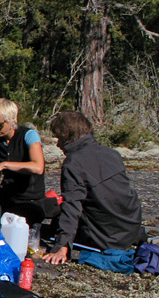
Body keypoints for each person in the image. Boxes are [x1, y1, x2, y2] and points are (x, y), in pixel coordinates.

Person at [43, 111, 144, 265]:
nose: (58, 144)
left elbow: (72, 206)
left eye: (59, 138)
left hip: (108, 238)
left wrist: (62, 246)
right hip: (131, 228)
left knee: (53, 223)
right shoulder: (111, 153)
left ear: (67, 137)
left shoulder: (74, 164)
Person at [0, 98, 47, 223]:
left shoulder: (28, 135)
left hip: (30, 200)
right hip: (6, 197)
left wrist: (5, 165)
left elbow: (38, 167)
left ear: (11, 121)